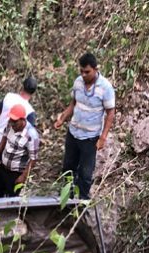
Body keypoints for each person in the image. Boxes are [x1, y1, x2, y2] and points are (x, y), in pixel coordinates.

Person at [54, 53, 115, 200]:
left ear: (95, 69)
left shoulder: (105, 88)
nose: (83, 74)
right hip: (73, 133)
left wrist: (103, 137)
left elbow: (110, 113)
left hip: (90, 137)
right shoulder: (78, 83)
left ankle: (82, 202)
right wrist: (63, 117)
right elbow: (73, 104)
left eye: (87, 72)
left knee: (86, 173)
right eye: (81, 71)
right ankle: (66, 198)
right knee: (68, 167)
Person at [0, 76, 38, 193]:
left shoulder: (9, 96)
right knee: (6, 173)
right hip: (6, 145)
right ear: (33, 92)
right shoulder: (29, 111)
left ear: (22, 86)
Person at [0, 104, 39, 198]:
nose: (12, 124)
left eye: (15, 122)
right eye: (11, 121)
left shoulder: (31, 136)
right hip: (3, 167)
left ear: (22, 120)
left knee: (11, 199)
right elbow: (4, 136)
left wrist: (23, 176)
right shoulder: (10, 124)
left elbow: (33, 159)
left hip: (15, 173)